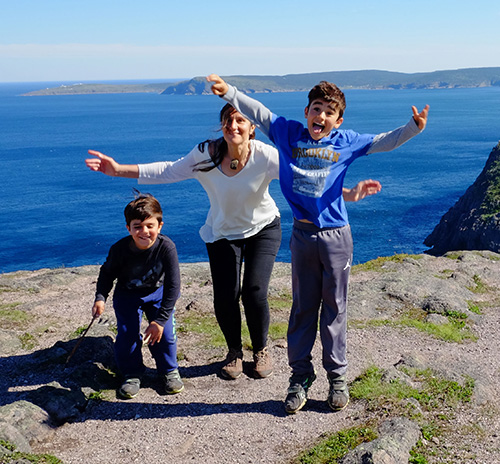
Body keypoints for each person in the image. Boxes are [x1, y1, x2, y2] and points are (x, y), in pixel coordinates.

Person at [86, 104, 381, 382]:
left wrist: (349, 194)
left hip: (264, 228)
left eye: (241, 120)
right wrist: (118, 169)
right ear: (222, 127)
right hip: (222, 232)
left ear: (252, 127)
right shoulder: (206, 154)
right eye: (228, 120)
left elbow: (306, 180)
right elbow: (168, 170)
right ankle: (234, 352)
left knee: (254, 290)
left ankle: (261, 349)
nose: (233, 125)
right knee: (227, 295)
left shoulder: (266, 155)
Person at [207, 73, 429, 413]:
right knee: (303, 308)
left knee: (335, 308)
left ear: (338, 121)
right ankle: (299, 377)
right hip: (302, 234)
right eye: (316, 109)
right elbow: (260, 113)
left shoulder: (346, 141)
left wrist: (413, 128)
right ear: (306, 111)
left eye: (328, 112)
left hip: (337, 236)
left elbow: (385, 140)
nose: (321, 117)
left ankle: (337, 378)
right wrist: (230, 93)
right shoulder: (289, 133)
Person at [91, 193, 183, 399]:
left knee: (165, 334)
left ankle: (169, 371)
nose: (144, 231)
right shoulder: (119, 249)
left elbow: (173, 285)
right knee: (127, 336)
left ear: (160, 226)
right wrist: (100, 297)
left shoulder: (167, 247)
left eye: (150, 225)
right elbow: (106, 274)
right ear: (128, 228)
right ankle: (132, 373)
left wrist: (159, 321)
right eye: (137, 226)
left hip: (158, 295)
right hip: (127, 295)